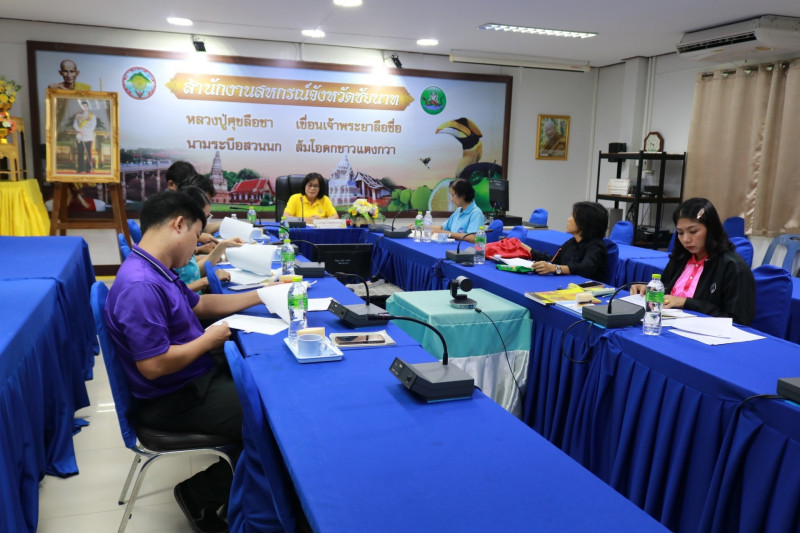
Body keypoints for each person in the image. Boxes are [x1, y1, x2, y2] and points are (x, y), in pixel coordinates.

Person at [105, 190, 277, 532]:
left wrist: (263, 295)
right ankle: (200, 495)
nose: (197, 246)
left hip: (192, 378)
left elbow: (202, 305)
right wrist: (208, 340)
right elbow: (153, 365)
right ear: (179, 224)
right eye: (197, 235)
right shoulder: (140, 285)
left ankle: (243, 489)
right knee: (274, 420)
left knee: (268, 381)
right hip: (174, 398)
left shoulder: (157, 269)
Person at [630, 198, 755, 324]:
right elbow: (667, 292)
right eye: (680, 233)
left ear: (711, 229)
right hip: (668, 325)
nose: (686, 239)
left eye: (693, 231)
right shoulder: (680, 258)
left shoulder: (732, 266)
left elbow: (739, 321)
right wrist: (651, 291)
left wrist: (686, 302)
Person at [177, 186, 243, 293]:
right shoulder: (173, 249)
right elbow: (172, 294)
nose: (205, 224)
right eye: (204, 218)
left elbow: (192, 272)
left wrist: (222, 246)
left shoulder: (185, 241)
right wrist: (206, 281)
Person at [530, 201, 609, 282]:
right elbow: (553, 261)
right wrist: (528, 250)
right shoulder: (571, 243)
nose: (568, 219)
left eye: (572, 216)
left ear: (584, 223)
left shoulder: (597, 246)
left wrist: (556, 268)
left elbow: (585, 268)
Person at [428, 178, 485, 243]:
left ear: (463, 195)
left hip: (465, 248)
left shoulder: (476, 213)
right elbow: (442, 228)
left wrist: (448, 233)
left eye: (453, 195)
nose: (452, 200)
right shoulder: (458, 211)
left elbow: (473, 238)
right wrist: (424, 227)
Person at [73, 100, 96, 173]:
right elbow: (75, 125)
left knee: (88, 153)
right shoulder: (78, 115)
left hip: (88, 137)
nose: (84, 108)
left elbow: (93, 126)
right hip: (79, 136)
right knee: (80, 153)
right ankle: (81, 168)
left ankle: (88, 168)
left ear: (87, 107)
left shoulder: (92, 116)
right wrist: (79, 131)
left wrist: (85, 134)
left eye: (85, 106)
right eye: (82, 106)